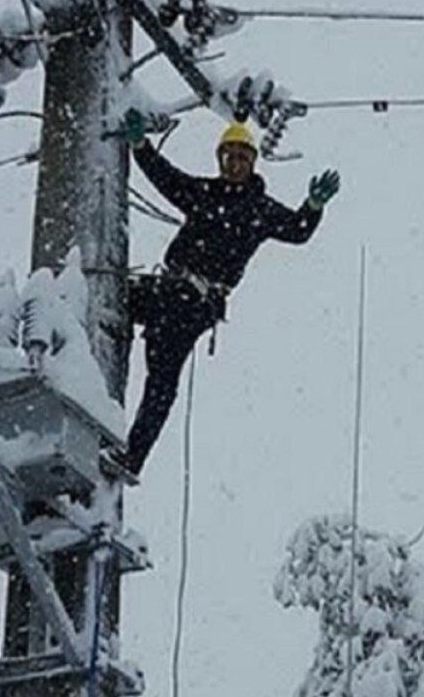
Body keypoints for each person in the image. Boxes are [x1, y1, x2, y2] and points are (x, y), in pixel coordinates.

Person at [117, 108, 340, 475]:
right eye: (229, 157)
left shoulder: (259, 208)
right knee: (108, 298)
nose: (235, 164)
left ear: (252, 162)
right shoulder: (204, 193)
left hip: (193, 305)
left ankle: (132, 457)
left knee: (161, 382)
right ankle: (87, 389)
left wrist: (313, 206)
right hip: (166, 290)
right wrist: (141, 146)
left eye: (242, 157)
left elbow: (297, 230)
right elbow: (165, 178)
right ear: (220, 160)